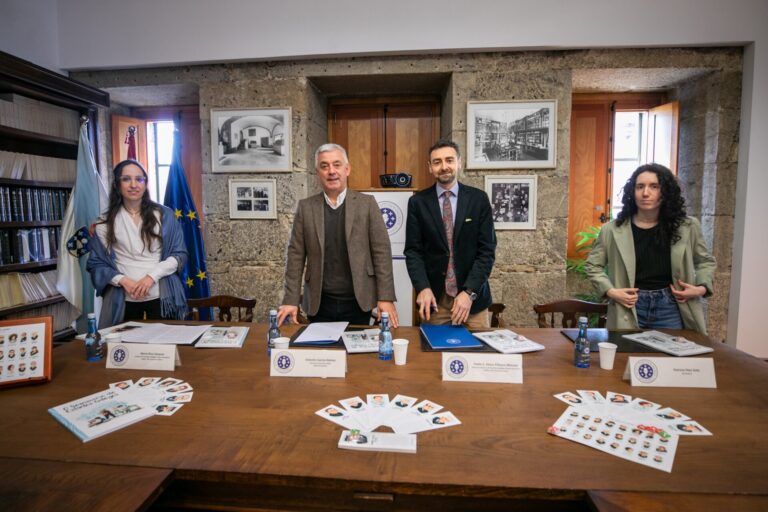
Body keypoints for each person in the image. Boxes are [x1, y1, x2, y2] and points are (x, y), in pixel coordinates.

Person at [585, 163, 716, 333]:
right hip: (629, 305)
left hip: (671, 306)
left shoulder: (688, 227)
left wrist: (700, 288)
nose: (645, 193)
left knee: (669, 358)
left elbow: (705, 261)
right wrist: (611, 291)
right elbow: (592, 265)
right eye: (640, 187)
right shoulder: (611, 230)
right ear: (632, 191)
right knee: (627, 358)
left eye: (654, 186)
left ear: (666, 191)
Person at [278, 144, 398, 327]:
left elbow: (381, 252)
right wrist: (290, 299)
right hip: (320, 303)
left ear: (347, 169)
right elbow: (295, 256)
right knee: (321, 355)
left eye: (337, 164)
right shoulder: (306, 208)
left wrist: (386, 297)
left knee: (357, 354)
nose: (331, 171)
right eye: (324, 166)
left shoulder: (367, 204)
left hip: (359, 302)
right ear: (317, 172)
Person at [404, 139, 496, 328]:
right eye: (437, 162)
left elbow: (486, 252)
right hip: (436, 301)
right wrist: (422, 287)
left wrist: (469, 292)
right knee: (433, 355)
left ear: (459, 162)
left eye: (449, 160)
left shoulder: (478, 199)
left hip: (473, 301)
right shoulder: (418, 202)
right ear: (430, 167)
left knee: (477, 355)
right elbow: (413, 252)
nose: (444, 167)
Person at [87, 160, 188, 327]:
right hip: (124, 298)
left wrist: (151, 277)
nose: (134, 185)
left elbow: (179, 255)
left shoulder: (164, 215)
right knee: (125, 348)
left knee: (164, 346)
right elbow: (96, 264)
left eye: (139, 179)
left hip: (162, 296)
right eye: (126, 179)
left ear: (145, 183)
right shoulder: (104, 222)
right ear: (117, 185)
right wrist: (124, 281)